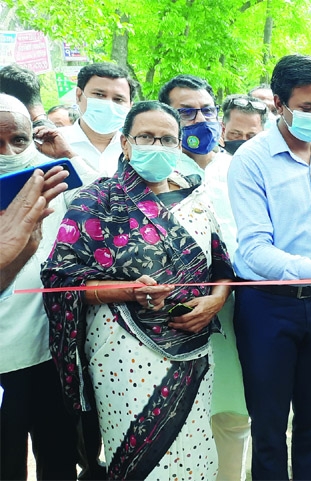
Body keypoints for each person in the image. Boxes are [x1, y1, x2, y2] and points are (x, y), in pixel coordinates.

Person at [42, 100, 235, 480]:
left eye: (167, 139)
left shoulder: (196, 198)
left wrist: (217, 299)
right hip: (122, 354)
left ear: (180, 147)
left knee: (194, 452)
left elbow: (222, 264)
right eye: (146, 136)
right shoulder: (96, 200)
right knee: (140, 460)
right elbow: (60, 279)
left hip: (193, 349)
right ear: (126, 144)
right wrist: (128, 291)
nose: (157, 145)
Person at [227, 54, 311, 480]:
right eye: (307, 108)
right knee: (269, 426)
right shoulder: (250, 160)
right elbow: (251, 250)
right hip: (269, 308)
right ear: (278, 104)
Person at [0, 94, 76, 481]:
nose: (9, 152)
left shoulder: (49, 179)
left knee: (59, 459)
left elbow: (105, 208)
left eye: (18, 140)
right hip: (2, 362)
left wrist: (69, 156)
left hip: (50, 355)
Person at [191, 93, 264, 481]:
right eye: (186, 112)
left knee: (232, 410)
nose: (196, 120)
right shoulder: (146, 178)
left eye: (204, 110)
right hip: (167, 316)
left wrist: (224, 287)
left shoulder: (234, 170)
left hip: (232, 304)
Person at [61, 62, 137, 187]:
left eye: (118, 99)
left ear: (130, 106)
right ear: (79, 95)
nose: (108, 104)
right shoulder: (52, 146)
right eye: (99, 95)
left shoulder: (138, 151)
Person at [159, 75, 221, 177]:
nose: (201, 119)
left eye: (208, 111)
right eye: (187, 112)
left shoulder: (236, 166)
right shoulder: (160, 173)